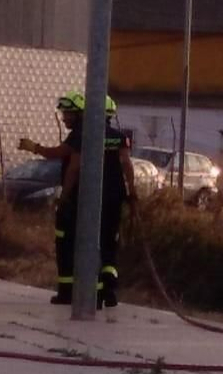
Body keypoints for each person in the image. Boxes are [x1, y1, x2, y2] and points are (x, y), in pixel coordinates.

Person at [18, 92, 137, 306]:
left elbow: (72, 165)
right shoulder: (119, 136)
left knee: (67, 241)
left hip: (83, 199)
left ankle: (67, 292)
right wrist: (132, 192)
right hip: (114, 198)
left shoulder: (84, 135)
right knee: (108, 243)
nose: (64, 118)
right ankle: (107, 293)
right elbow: (127, 165)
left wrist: (63, 197)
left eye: (68, 114)